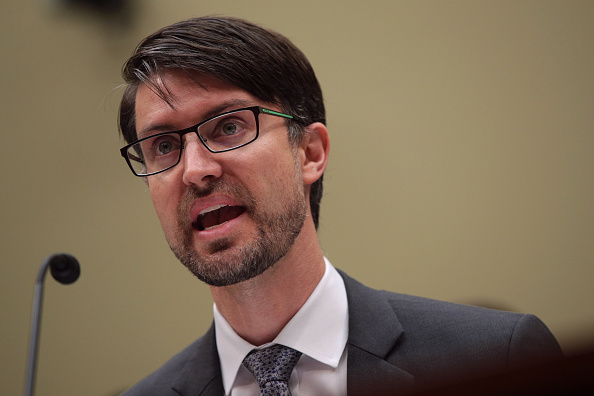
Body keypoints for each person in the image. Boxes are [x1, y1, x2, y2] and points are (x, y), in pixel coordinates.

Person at [118, 16, 562, 396]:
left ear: (310, 153)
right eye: (163, 146)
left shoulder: (495, 360)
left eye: (229, 126)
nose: (195, 170)